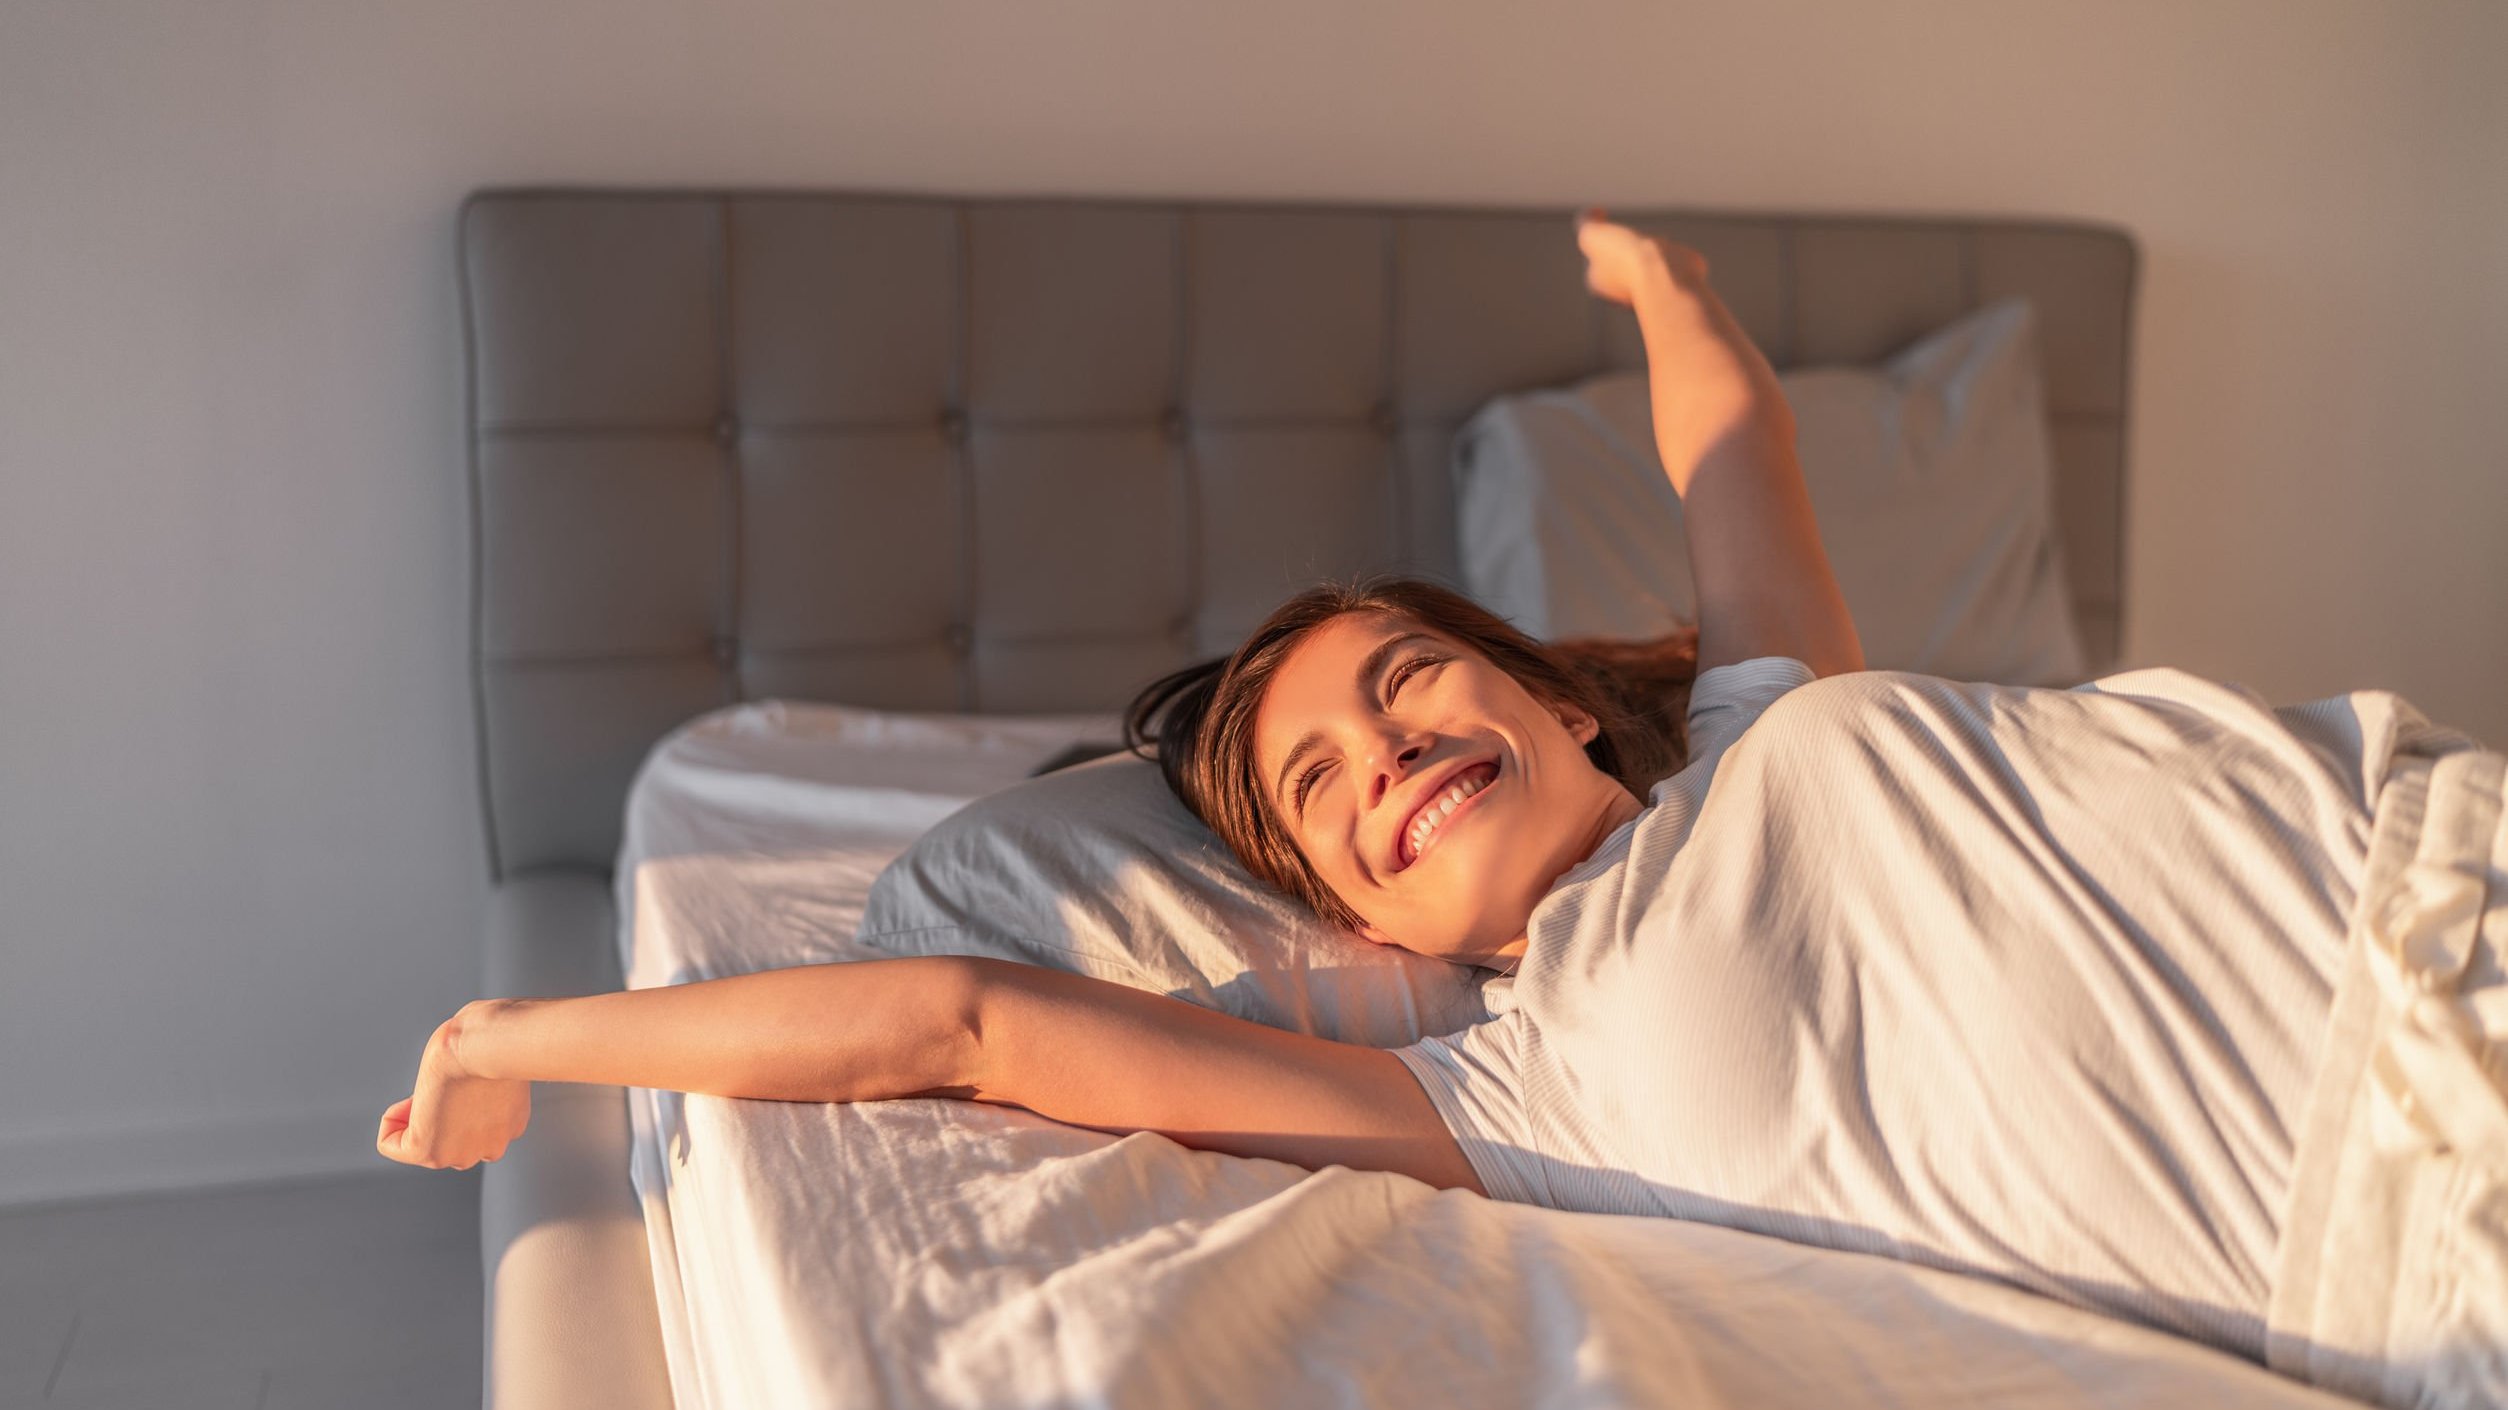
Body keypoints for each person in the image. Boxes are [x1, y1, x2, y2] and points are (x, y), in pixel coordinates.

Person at [381, 213, 2506, 1409]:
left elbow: (1729, 455)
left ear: (1562, 709)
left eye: (1414, 681)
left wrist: (1665, 293)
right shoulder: (1517, 1091)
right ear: (1365, 931)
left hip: (2432, 839)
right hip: (2422, 1185)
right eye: (1324, 787)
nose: (1390, 748)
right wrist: (506, 1040)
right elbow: (962, 1021)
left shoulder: (1771, 719)